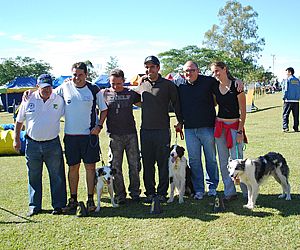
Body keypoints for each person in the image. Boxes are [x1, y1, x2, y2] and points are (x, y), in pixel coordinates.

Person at [56, 62, 108, 212]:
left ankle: (90, 199)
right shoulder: (64, 87)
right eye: (74, 75)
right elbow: (48, 93)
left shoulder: (93, 89)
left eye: (80, 75)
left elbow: (104, 110)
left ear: (86, 75)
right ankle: (73, 199)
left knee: (90, 168)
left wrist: (99, 127)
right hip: (71, 136)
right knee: (73, 168)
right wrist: (30, 93)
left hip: (89, 137)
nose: (77, 78)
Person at [13, 74, 67, 216]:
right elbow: (19, 121)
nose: (46, 90)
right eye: (43, 87)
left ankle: (59, 205)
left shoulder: (59, 100)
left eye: (49, 87)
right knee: (34, 176)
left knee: (57, 176)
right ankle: (34, 206)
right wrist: (16, 139)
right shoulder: (28, 98)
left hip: (52, 143)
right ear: (37, 87)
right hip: (32, 144)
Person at [137, 56, 184, 202]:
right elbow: (132, 97)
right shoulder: (142, 84)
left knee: (163, 162)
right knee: (148, 163)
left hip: (162, 130)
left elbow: (177, 104)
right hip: (145, 130)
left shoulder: (168, 85)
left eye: (152, 67)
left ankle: (162, 192)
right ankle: (150, 192)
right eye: (147, 67)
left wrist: (180, 122)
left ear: (158, 68)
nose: (149, 69)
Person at [173, 61, 219, 200]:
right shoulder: (180, 85)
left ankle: (212, 187)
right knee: (194, 160)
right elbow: (177, 105)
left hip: (208, 127)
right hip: (189, 129)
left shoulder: (209, 81)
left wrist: (238, 81)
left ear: (198, 70)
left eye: (192, 70)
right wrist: (180, 122)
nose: (189, 73)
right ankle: (199, 189)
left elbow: (224, 82)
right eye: (187, 71)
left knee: (210, 158)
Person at [102, 69, 141, 204]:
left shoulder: (131, 94)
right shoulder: (104, 93)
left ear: (124, 81)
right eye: (113, 83)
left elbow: (144, 99)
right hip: (114, 136)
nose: (116, 86)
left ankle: (135, 193)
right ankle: (120, 195)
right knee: (115, 166)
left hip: (131, 134)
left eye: (119, 83)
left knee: (134, 165)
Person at [210, 61, 247, 201]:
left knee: (238, 161)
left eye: (217, 71)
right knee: (223, 161)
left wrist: (239, 131)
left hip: (234, 127)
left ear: (225, 69)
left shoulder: (237, 86)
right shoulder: (215, 86)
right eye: (213, 72)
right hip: (220, 128)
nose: (215, 74)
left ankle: (245, 192)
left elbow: (243, 112)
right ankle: (229, 192)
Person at [282, 67, 300, 132]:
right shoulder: (297, 80)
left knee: (285, 114)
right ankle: (296, 128)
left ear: (289, 72)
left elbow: (285, 89)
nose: (286, 73)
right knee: (296, 115)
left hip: (288, 100)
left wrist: (284, 97)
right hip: (296, 100)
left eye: (287, 72)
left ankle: (285, 127)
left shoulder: (287, 80)